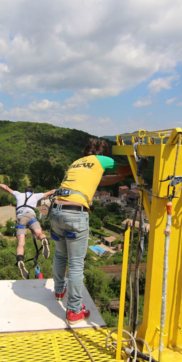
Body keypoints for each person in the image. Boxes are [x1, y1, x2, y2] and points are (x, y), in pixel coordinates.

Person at [50, 138, 132, 325]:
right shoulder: (101, 160)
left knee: (61, 255)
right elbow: (126, 169)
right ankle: (74, 310)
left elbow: (98, 180)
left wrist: (118, 179)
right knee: (76, 263)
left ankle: (59, 291)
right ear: (102, 153)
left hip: (56, 210)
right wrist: (135, 164)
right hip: (75, 214)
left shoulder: (77, 163)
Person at [0, 175, 56, 279]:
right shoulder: (35, 196)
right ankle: (44, 240)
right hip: (31, 216)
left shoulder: (18, 194)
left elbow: (6, 188)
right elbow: (51, 192)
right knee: (38, 233)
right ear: (32, 192)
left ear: (24, 191)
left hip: (20, 218)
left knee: (21, 243)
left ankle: (20, 259)